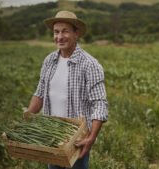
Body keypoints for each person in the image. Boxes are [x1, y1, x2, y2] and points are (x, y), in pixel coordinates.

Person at [23, 10, 108, 169]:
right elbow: (40, 93)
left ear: (76, 34)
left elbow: (100, 104)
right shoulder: (49, 61)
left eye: (65, 31)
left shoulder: (90, 65)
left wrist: (92, 137)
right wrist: (26, 119)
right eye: (56, 32)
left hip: (76, 139)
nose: (59, 37)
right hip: (52, 135)